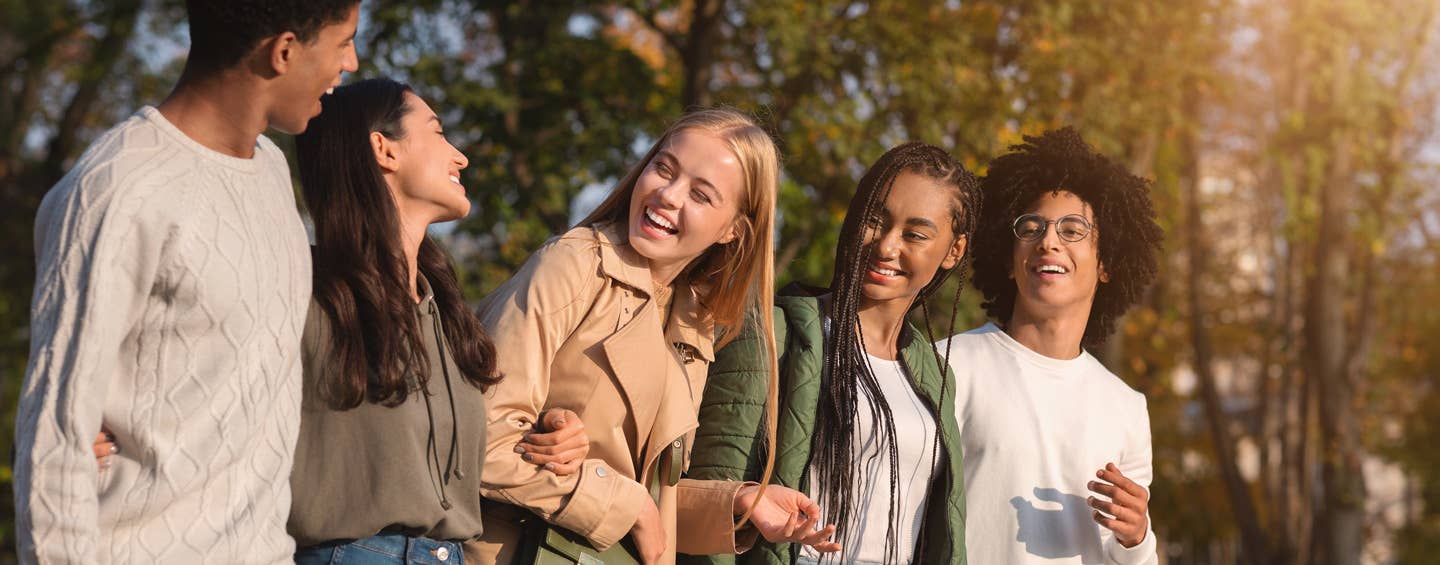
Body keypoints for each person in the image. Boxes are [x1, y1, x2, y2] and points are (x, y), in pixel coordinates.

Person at [13, 1, 359, 563]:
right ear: (285, 51)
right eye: (343, 42)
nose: (352, 61)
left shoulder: (271, 171)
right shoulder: (118, 189)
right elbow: (55, 443)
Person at [467, 108, 840, 564]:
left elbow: (645, 499)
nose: (667, 194)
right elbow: (475, 438)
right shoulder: (575, 264)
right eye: (663, 168)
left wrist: (740, 503)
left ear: (732, 231)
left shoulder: (694, 321)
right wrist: (628, 504)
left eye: (701, 195)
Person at [285, 77, 591, 564]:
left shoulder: (444, 315)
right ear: (384, 149)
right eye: (438, 132)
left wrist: (554, 434)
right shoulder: (303, 292)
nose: (460, 157)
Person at [684, 142, 979, 565]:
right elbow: (714, 503)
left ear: (954, 250)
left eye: (915, 234)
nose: (887, 246)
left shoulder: (935, 376)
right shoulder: (771, 335)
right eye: (876, 220)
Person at [938, 127, 1164, 564]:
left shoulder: (1127, 407)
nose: (1049, 240)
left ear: (1106, 264)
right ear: (1008, 258)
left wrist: (1137, 537)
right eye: (1031, 227)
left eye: (1073, 229)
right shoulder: (948, 364)